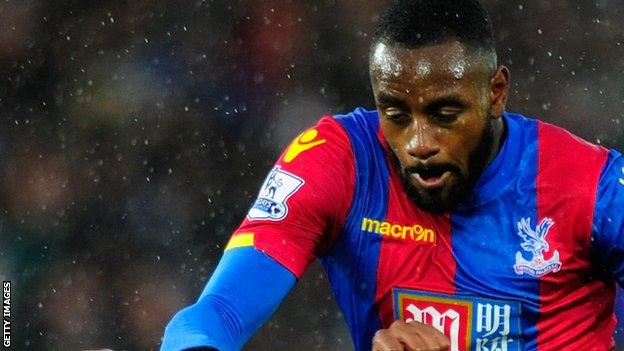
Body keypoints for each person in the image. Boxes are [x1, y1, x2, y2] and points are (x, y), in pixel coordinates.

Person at [161, 0, 624, 350]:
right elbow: (211, 317)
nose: (419, 143)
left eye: (444, 113)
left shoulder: (593, 184)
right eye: (396, 114)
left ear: (496, 92)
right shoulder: (338, 160)